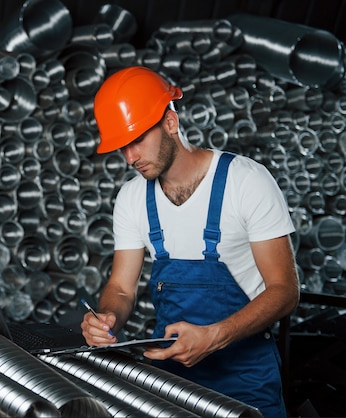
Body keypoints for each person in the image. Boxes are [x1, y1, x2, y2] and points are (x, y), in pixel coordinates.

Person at [80, 66, 300, 417]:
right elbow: (121, 288)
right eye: (122, 147)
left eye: (137, 140)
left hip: (245, 378)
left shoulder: (246, 181)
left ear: (170, 121)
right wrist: (107, 318)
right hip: (171, 378)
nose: (130, 158)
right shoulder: (132, 198)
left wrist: (215, 336)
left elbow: (285, 290)